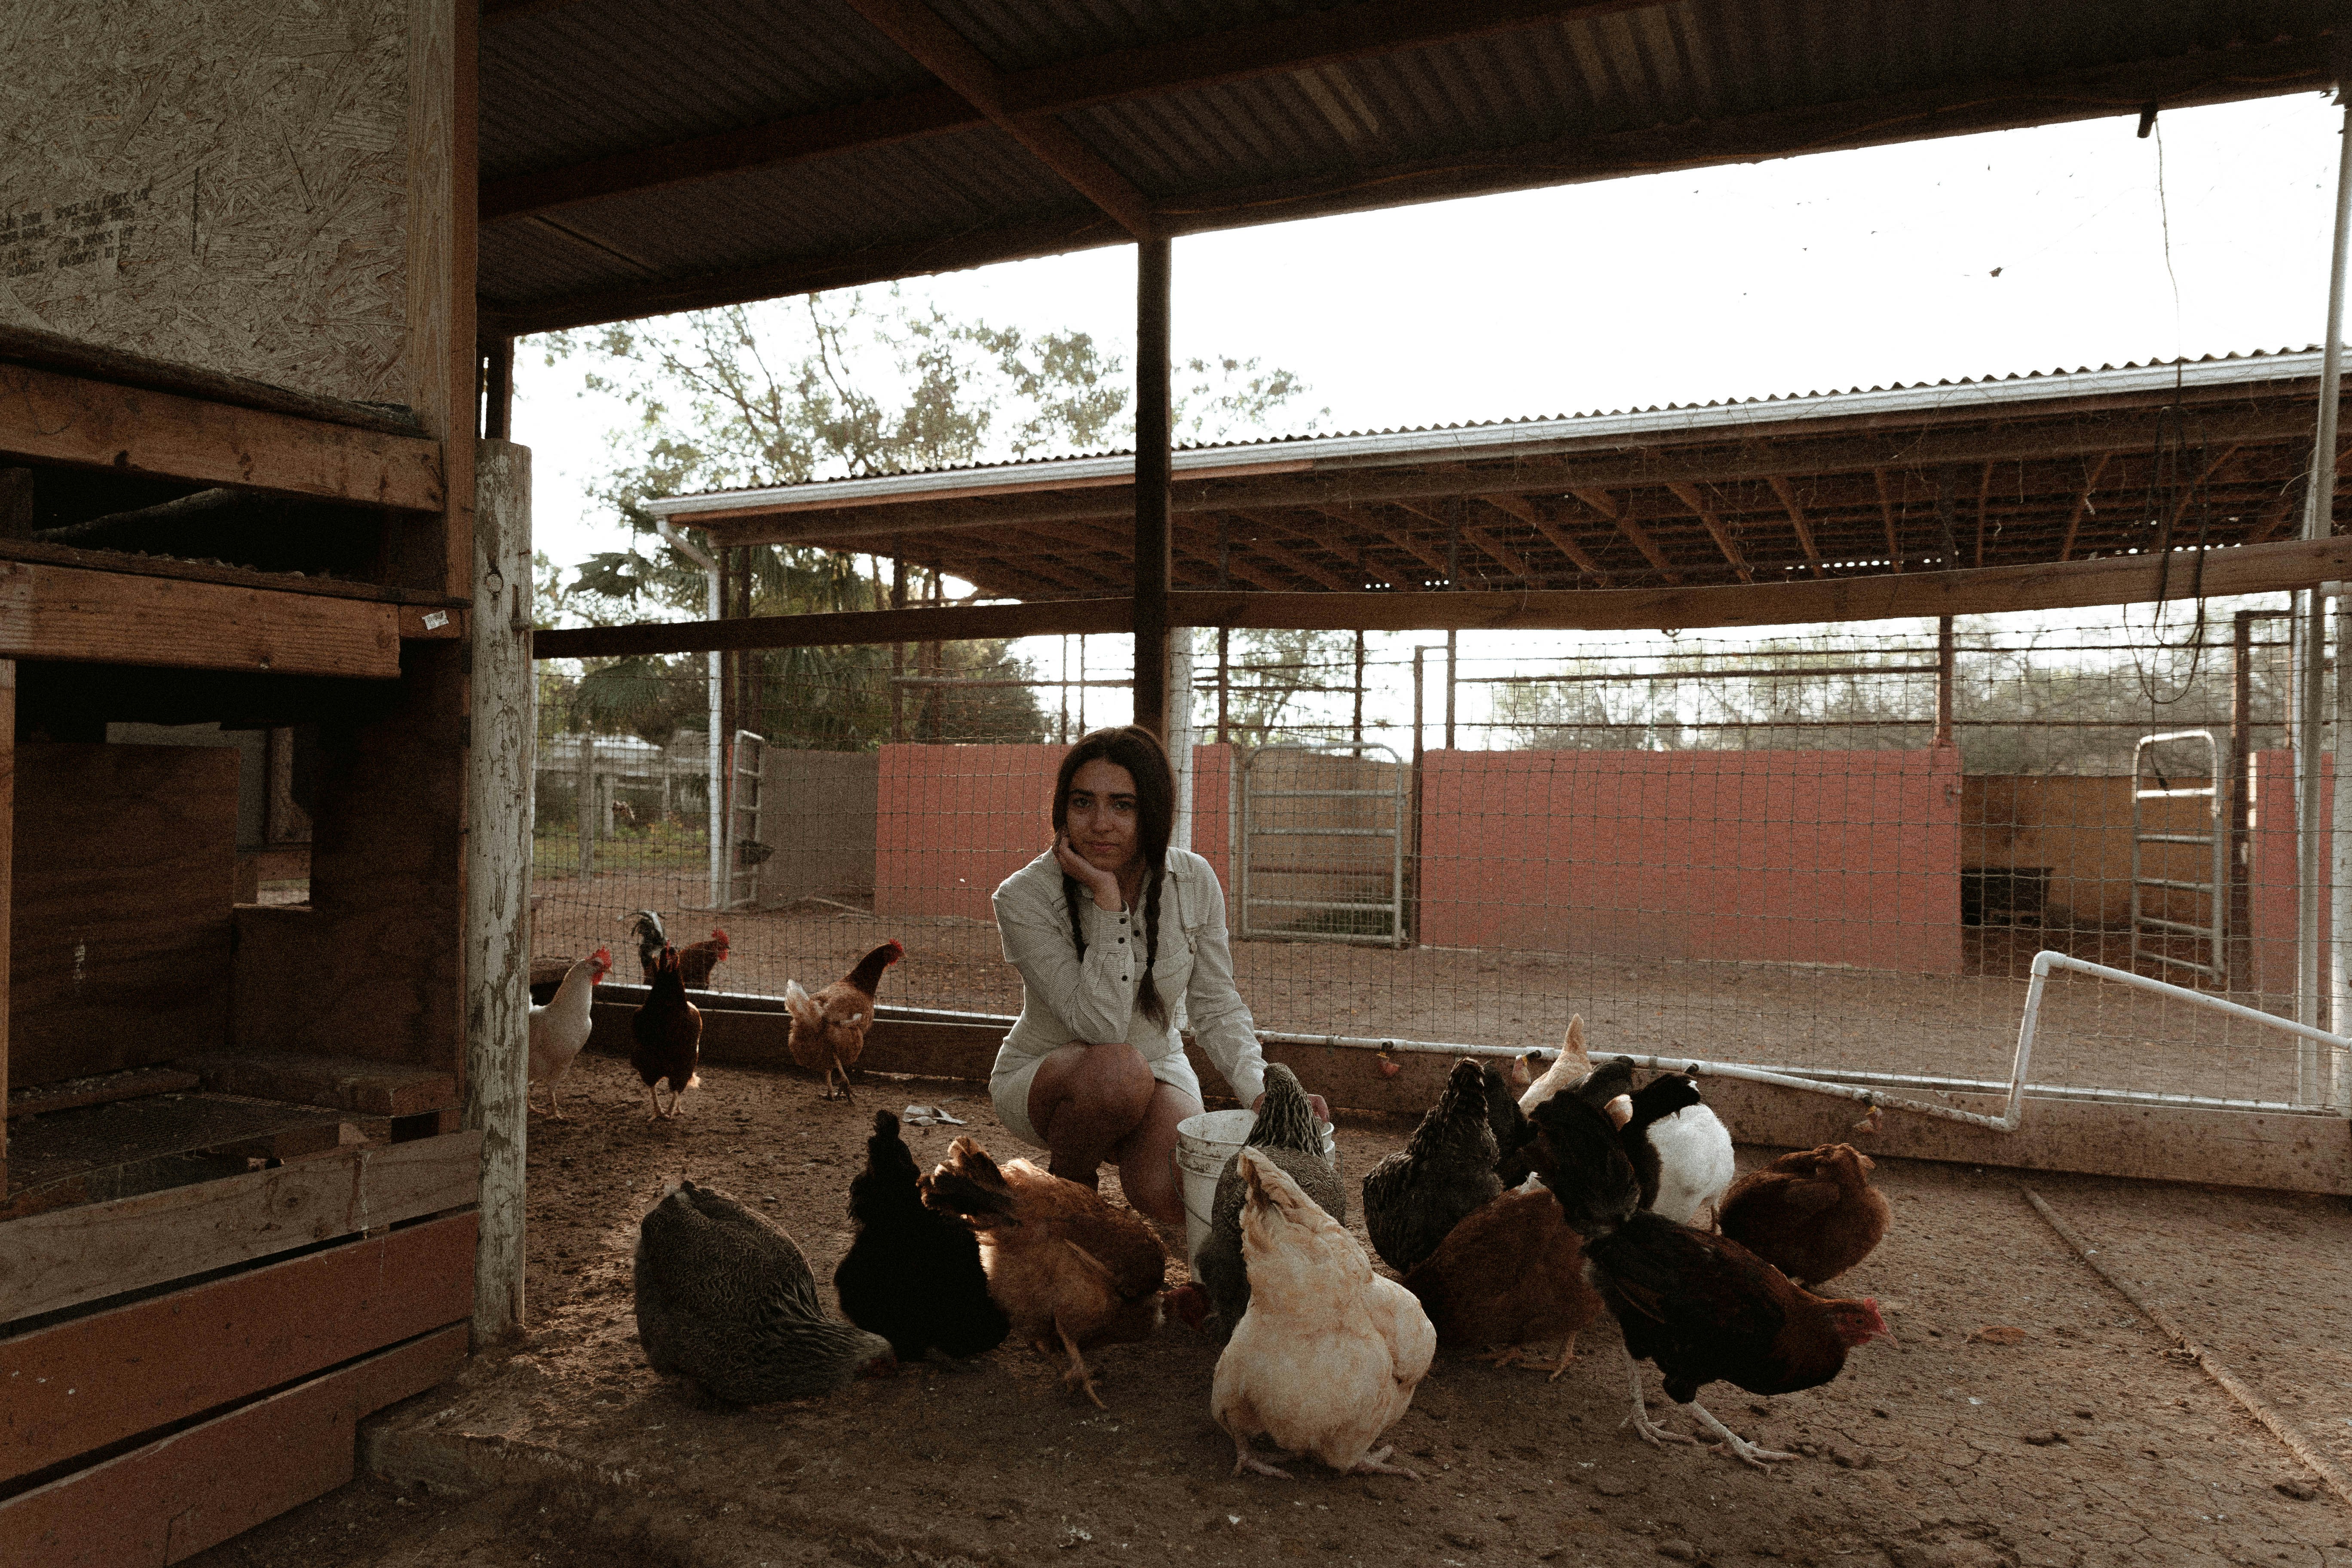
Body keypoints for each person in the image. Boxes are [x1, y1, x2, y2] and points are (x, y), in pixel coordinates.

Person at [989, 725, 1328, 1228]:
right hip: (1048, 1073)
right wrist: (1107, 901)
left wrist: (1261, 1090)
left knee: (1175, 1197)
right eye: (1083, 803)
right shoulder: (1023, 897)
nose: (1100, 824)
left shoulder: (1193, 881)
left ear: (1152, 811)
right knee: (1118, 1073)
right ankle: (1069, 1194)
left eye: (1122, 805)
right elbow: (1100, 1030)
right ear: (1063, 809)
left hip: (1157, 1065)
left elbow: (1216, 1004)